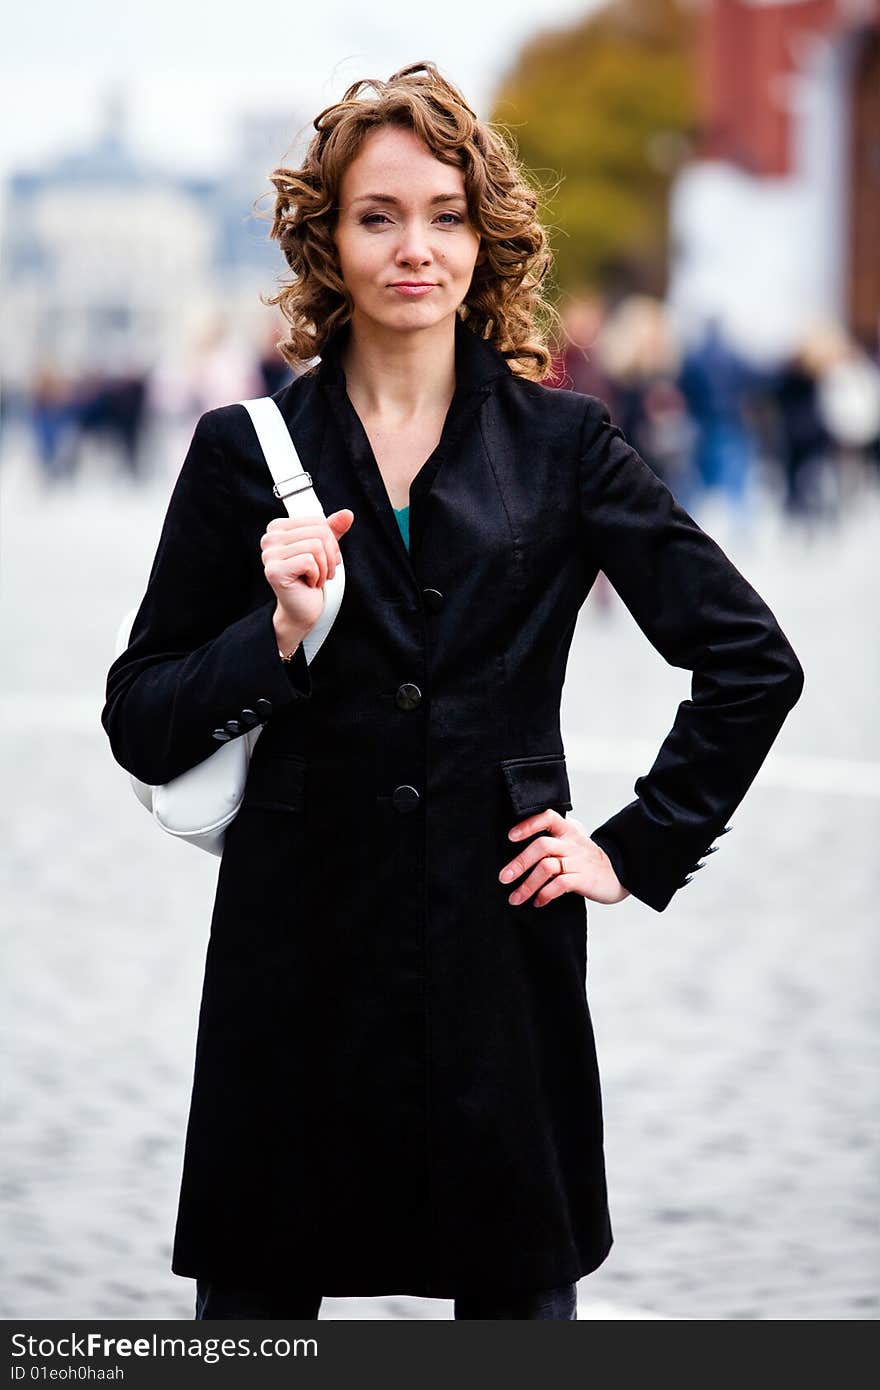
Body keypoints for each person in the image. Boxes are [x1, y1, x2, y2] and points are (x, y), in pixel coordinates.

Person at [101, 62, 805, 1321]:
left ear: (486, 239)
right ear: (330, 241)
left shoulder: (566, 444)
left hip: (497, 945)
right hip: (294, 952)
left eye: (443, 213)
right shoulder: (240, 453)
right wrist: (272, 633)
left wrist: (635, 848)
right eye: (378, 216)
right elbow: (139, 715)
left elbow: (751, 660)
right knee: (261, 1310)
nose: (414, 246)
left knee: (515, 1296)